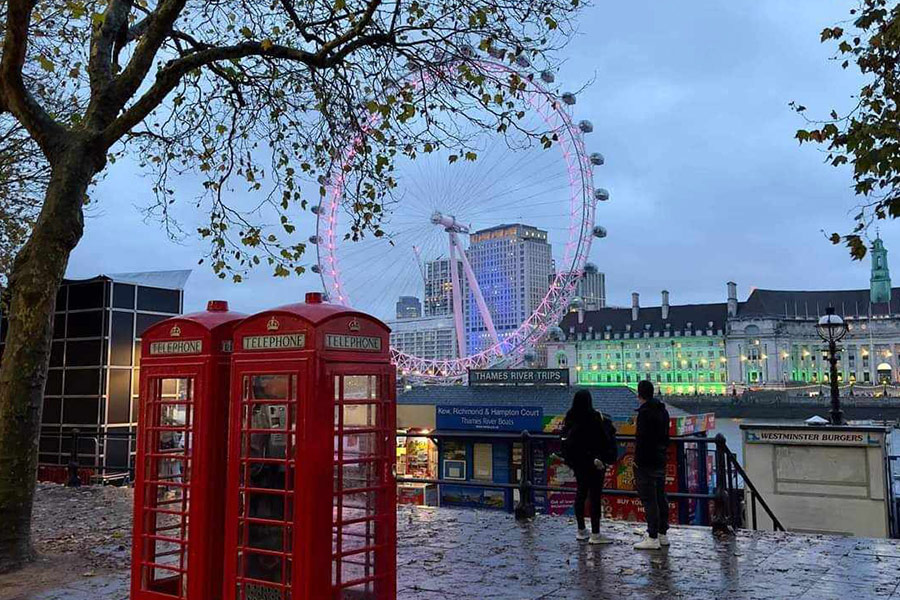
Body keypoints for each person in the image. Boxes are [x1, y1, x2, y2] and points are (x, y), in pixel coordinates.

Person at [561, 389, 617, 545]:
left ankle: (581, 530)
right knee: (595, 497)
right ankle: (596, 533)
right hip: (594, 463)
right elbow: (602, 439)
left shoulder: (571, 417)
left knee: (580, 493)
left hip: (578, 463)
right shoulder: (595, 417)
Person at [633, 380, 671, 550]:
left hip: (646, 462)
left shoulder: (644, 413)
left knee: (649, 499)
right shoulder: (663, 411)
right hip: (660, 458)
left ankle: (652, 536)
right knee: (660, 496)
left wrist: (637, 460)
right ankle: (663, 534)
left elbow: (641, 440)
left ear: (639, 394)